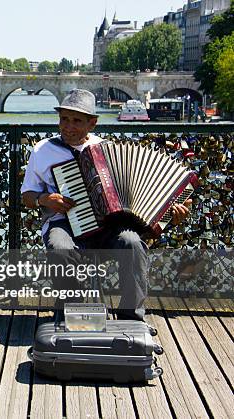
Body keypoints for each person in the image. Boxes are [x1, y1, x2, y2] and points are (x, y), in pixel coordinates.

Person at [21, 89, 191, 321]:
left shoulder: (106, 150)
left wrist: (169, 213)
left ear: (92, 123)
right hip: (63, 222)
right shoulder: (42, 150)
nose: (68, 126)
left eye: (76, 121)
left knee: (131, 243)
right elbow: (27, 195)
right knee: (61, 249)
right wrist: (43, 199)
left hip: (107, 225)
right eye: (64, 119)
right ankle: (74, 316)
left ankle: (131, 317)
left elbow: (136, 192)